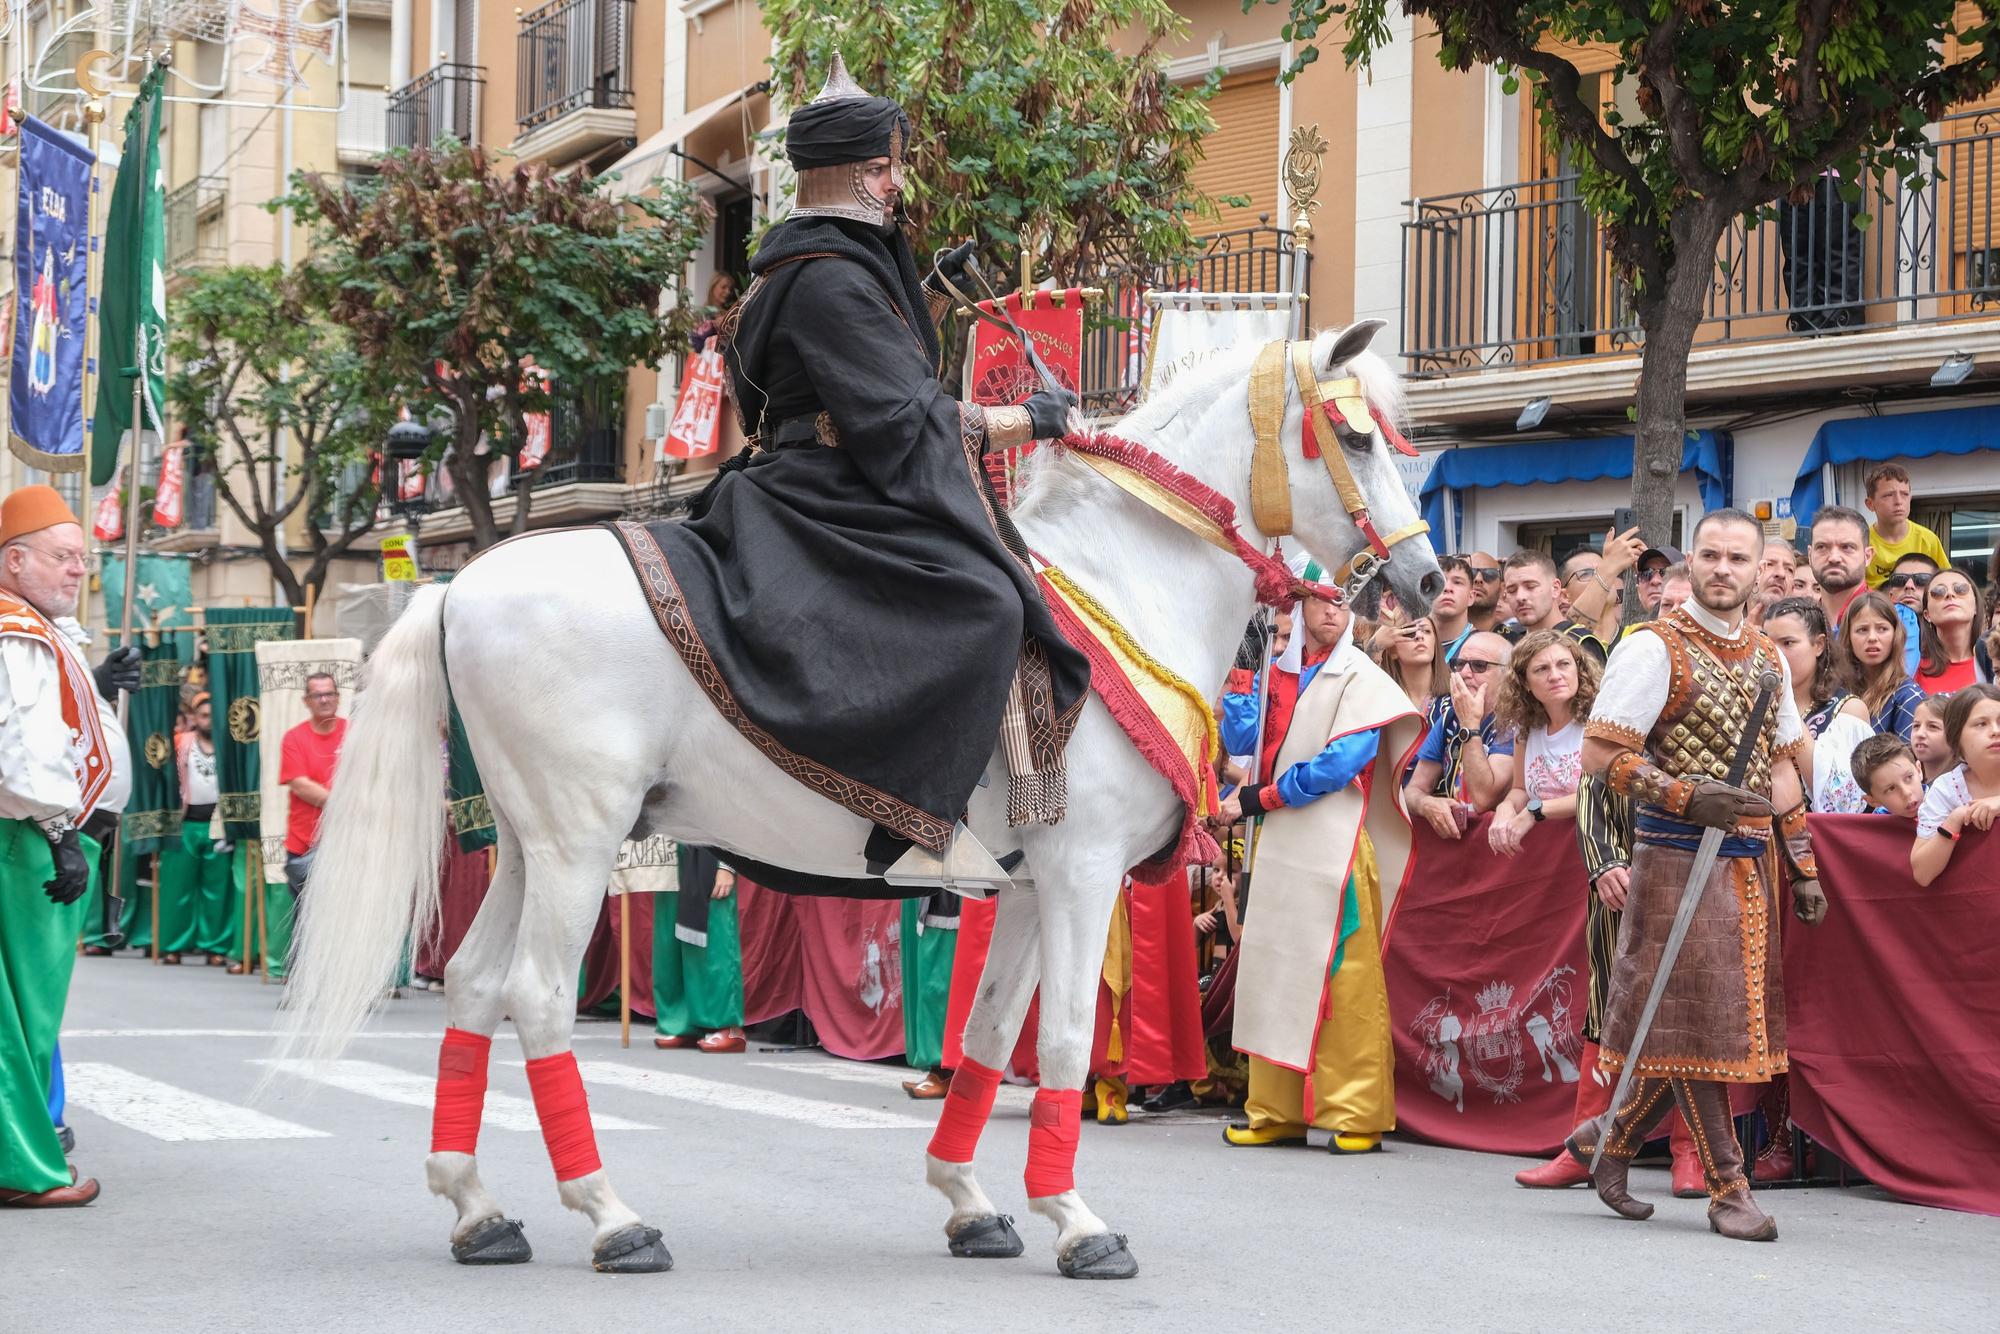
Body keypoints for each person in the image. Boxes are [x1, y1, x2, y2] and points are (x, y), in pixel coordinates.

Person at [669, 55, 1087, 890]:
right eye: (887, 168)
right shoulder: (829, 282)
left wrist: (922, 301)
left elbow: (874, 385)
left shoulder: (809, 271)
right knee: (989, 602)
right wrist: (1029, 420)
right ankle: (909, 817)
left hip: (811, 477)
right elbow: (904, 419)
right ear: (856, 177)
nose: (898, 183)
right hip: (827, 490)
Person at [1563, 507, 1825, 1243]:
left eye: (1738, 559)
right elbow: (1601, 755)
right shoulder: (1653, 648)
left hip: (1750, 864)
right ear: (1692, 565)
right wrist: (1685, 794)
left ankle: (1607, 1145)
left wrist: (1802, 863)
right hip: (1676, 853)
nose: (1723, 569)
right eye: (1710, 554)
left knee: (1709, 1026)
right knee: (1701, 1025)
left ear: (1755, 569)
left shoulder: (1770, 658)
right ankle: (1728, 1189)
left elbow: (1779, 766)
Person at [1219, 581, 1421, 1154]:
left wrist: (1263, 798)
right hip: (1281, 841)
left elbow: (1341, 765)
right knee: (1273, 971)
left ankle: (1356, 1111)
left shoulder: (1363, 677)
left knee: (1345, 977)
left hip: (1337, 839)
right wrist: (1240, 674)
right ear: (1299, 607)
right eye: (1321, 600)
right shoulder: (1275, 673)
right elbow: (1241, 740)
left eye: (1341, 602)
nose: (1332, 611)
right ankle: (1275, 1109)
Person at [0, 486, 135, 1208]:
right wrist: (62, 834)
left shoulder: (37, 626)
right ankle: (20, 1169)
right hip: (24, 838)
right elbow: (22, 747)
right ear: (15, 561)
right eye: (62, 557)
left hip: (32, 833)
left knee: (21, 1014)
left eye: (83, 559)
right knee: (20, 1018)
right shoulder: (16, 628)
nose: (78, 570)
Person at [1486, 630, 1598, 857]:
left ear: (1578, 669)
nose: (1555, 675)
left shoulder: (1598, 721)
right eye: (1542, 669)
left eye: (1564, 664)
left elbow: (1598, 793)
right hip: (1548, 855)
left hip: (1593, 849)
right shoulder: (1526, 728)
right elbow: (1520, 789)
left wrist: (1535, 811)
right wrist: (1505, 807)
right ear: (1525, 682)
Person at [1764, 597, 1872, 813]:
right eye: (1767, 643)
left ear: (1818, 645)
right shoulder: (1755, 704)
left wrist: (1785, 702)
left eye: (1788, 643)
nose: (1774, 654)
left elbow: (1844, 803)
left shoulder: (1848, 710)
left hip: (1817, 838)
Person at [1401, 630, 1516, 828]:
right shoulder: (1450, 716)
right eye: (1459, 664)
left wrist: (1470, 724)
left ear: (1508, 674)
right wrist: (1426, 804)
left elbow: (1482, 799)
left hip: (1496, 848)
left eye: (1479, 666)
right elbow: (1412, 791)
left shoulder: (1514, 721)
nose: (1464, 673)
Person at [162, 693, 239, 968]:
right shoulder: (182, 742)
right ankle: (173, 945)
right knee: (177, 888)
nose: (208, 721)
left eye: (213, 716)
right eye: (204, 715)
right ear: (194, 718)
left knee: (216, 890)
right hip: (186, 823)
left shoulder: (227, 744)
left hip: (216, 825)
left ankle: (214, 945)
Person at [652, 845, 748, 1053]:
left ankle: (725, 1024)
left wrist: (727, 865)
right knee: (668, 940)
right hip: (668, 844)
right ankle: (679, 1023)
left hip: (708, 846)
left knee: (714, 937)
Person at [275, 672, 347, 949]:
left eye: (329, 693)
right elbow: (300, 785)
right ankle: (301, 980)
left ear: (338, 698)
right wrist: (345, 802)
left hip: (347, 841)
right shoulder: (294, 738)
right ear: (307, 701)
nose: (325, 700)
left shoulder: (353, 734)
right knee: (308, 915)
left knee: (345, 914)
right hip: (305, 845)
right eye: (318, 695)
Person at [1810, 505, 1921, 676]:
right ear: (1810, 555)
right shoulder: (1800, 621)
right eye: (1822, 547)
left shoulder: (1897, 617)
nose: (1833, 557)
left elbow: (1893, 689)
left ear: (1868, 556)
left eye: (1846, 547)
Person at [1912, 683, 2000, 886]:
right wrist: (1956, 818)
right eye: (1981, 724)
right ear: (1956, 737)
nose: (1995, 731)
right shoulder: (1947, 789)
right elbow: (1922, 874)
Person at [1838, 590, 1925, 739]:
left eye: (1882, 629)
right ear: (1848, 637)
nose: (1872, 638)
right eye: (1862, 630)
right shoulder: (1837, 692)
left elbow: (1910, 759)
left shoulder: (1908, 695)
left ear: (1896, 635)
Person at [1498, 550, 1608, 663]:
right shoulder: (1507, 641)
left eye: (1530, 587)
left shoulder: (1581, 643)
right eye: (1512, 590)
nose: (1520, 597)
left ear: (1555, 588)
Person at [1861, 463, 1947, 589]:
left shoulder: (1928, 540)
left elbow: (1944, 583)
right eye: (1889, 495)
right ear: (1870, 504)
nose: (1898, 501)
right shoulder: (1861, 542)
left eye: (1904, 494)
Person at [1915, 565, 1993, 696]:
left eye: (1961, 589)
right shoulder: (1913, 668)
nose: (1950, 594)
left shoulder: (1993, 664)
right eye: (1938, 592)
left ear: (1975, 607)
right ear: (1927, 614)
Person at [1564, 523, 1647, 643]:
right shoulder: (1557, 646)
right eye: (1586, 573)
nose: (1602, 577)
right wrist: (1608, 567)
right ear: (1564, 596)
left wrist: (1649, 577)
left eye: (1601, 571)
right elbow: (1570, 639)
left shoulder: (1638, 636)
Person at [1374, 614, 1449, 711]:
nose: (1419, 636)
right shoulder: (1382, 700)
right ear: (1392, 651)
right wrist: (1374, 646)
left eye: (1426, 631)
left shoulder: (1455, 697)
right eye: (1409, 632)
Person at [1853, 735, 1924, 820]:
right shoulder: (1875, 830)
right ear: (1873, 801)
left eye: (1909, 777)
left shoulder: (1943, 807)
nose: (1906, 793)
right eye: (1891, 789)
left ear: (1919, 770)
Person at [1431, 556, 1475, 661]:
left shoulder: (1483, 645)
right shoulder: (1410, 644)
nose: (1447, 588)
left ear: (1471, 597)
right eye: (1440, 580)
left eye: (1457, 582)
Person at [1911, 695, 1956, 785]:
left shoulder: (1962, 783)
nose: (1920, 734)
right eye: (1916, 726)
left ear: (1955, 734)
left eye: (1933, 727)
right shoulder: (1904, 777)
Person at [1753, 539, 1799, 623]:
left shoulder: (1803, 634)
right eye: (1769, 564)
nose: (1781, 574)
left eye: (1789, 569)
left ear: (1793, 588)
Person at [1464, 550, 1505, 631]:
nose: (1478, 579)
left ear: (1502, 588)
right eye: (1471, 573)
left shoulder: (1516, 642)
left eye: (1489, 574)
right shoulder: (1436, 638)